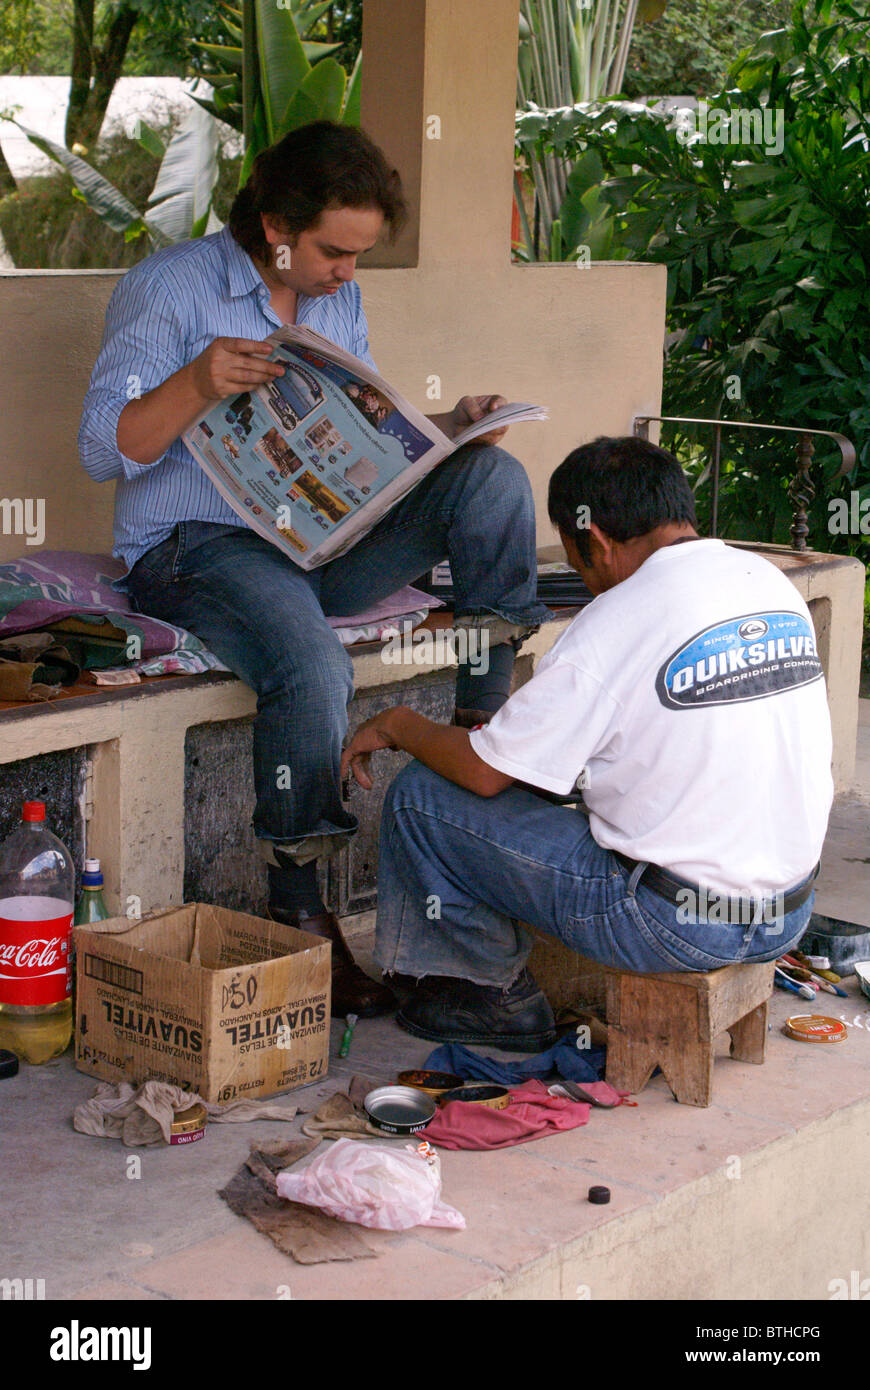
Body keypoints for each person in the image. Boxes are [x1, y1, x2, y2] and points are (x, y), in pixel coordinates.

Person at [78, 120, 550, 1018]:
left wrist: (446, 431)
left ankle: (486, 737)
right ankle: (301, 913)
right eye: (335, 252)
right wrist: (197, 381)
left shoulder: (333, 299)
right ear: (274, 221)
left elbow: (355, 444)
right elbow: (107, 449)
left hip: (319, 543)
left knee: (490, 478)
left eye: (360, 255)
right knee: (311, 666)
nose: (347, 273)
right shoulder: (169, 288)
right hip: (197, 546)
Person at [341, 436, 833, 1051]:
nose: (586, 582)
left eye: (579, 565)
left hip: (676, 926)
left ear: (595, 541)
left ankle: (488, 998)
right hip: (785, 914)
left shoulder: (615, 620)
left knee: (421, 797)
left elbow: (487, 775)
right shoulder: (766, 582)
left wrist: (397, 725)